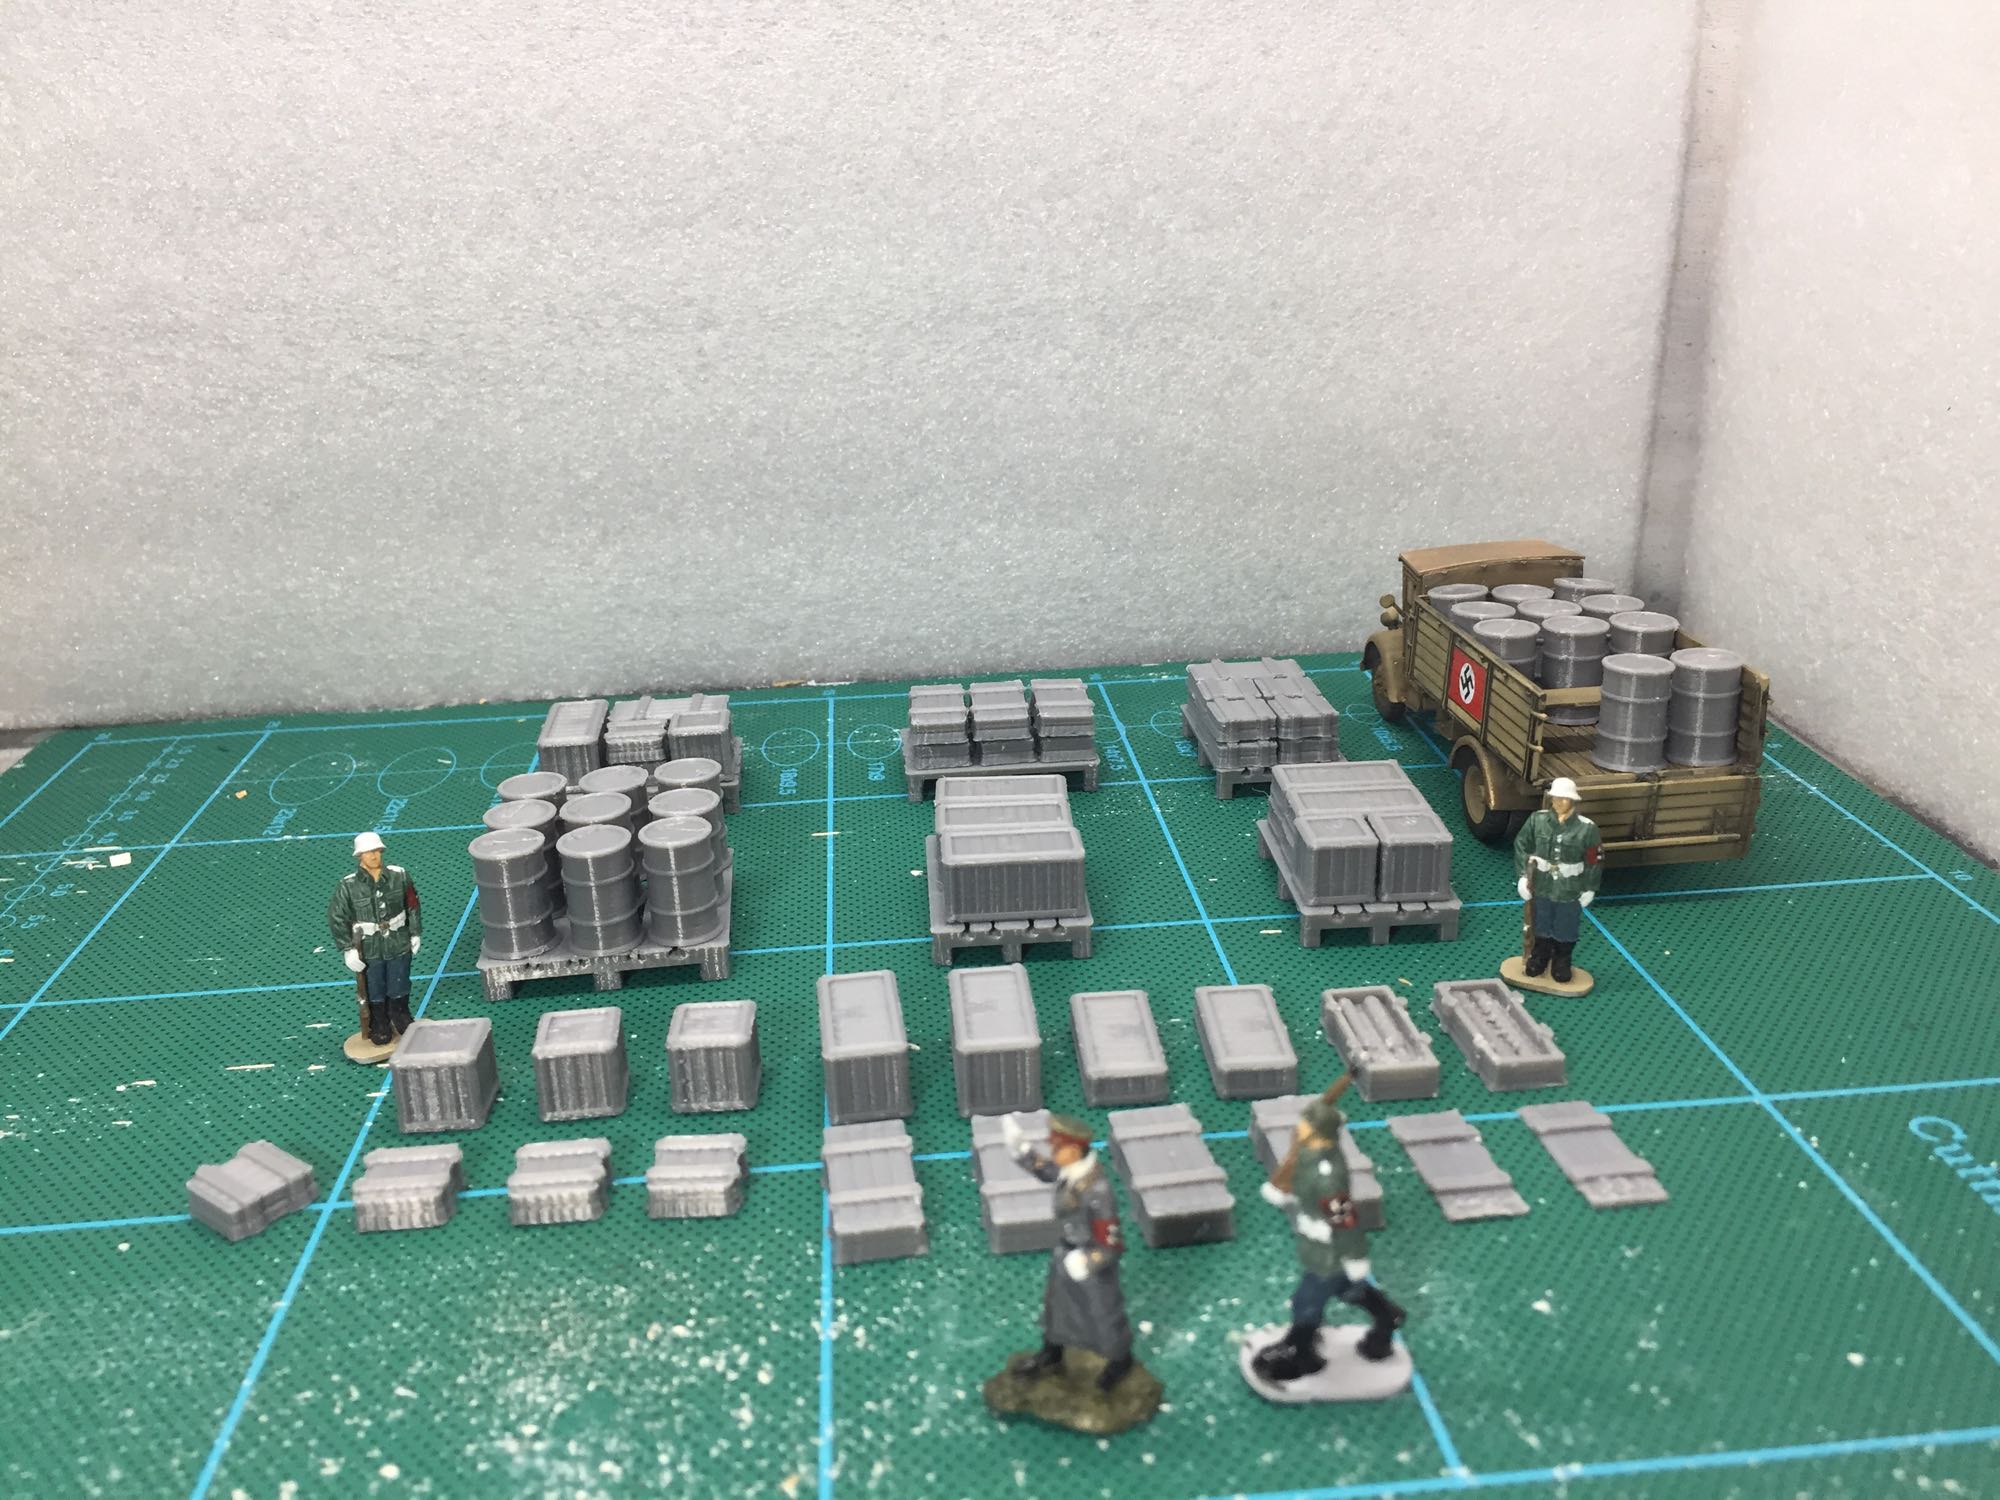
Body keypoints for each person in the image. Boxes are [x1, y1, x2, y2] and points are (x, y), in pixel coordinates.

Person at [1254, 1078, 1406, 1384]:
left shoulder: (1328, 1177)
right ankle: (1386, 1315)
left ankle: (1300, 1353)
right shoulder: (1311, 1156)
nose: (1300, 1126)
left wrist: (1354, 1256)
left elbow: (1344, 1220)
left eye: (1306, 1123)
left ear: (1317, 1131)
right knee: (1349, 1291)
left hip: (1330, 1252)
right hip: (1317, 1245)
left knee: (1306, 1302)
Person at [999, 1112, 1136, 1392]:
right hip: (1066, 1252)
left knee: (1102, 1313)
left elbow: (1111, 1242)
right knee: (1057, 1308)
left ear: (1073, 1150)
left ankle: (1120, 1360)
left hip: (1091, 1263)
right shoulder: (1071, 1173)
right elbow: (1047, 1171)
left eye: (1057, 1147)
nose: (1053, 1152)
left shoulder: (1096, 1189)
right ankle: (1053, 1352)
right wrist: (1022, 1150)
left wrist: (1089, 1261)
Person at [327, 832, 422, 1046]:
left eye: (377, 851)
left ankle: (401, 1015)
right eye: (368, 852)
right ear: (359, 856)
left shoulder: (399, 876)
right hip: (370, 947)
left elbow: (412, 905)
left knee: (399, 981)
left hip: (398, 941)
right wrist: (348, 948)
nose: (373, 856)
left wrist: (415, 932)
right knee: (375, 986)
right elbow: (337, 917)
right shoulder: (348, 885)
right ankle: (380, 1022)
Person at [1513, 775, 1603, 985]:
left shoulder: (1587, 828)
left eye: (1564, 798)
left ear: (1573, 800)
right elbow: (1521, 844)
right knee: (1541, 923)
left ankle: (1562, 961)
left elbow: (1594, 859)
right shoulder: (1537, 820)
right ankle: (1539, 957)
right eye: (1556, 798)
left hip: (1569, 887)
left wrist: (1590, 887)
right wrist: (1523, 876)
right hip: (1542, 884)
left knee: (1566, 926)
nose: (1559, 802)